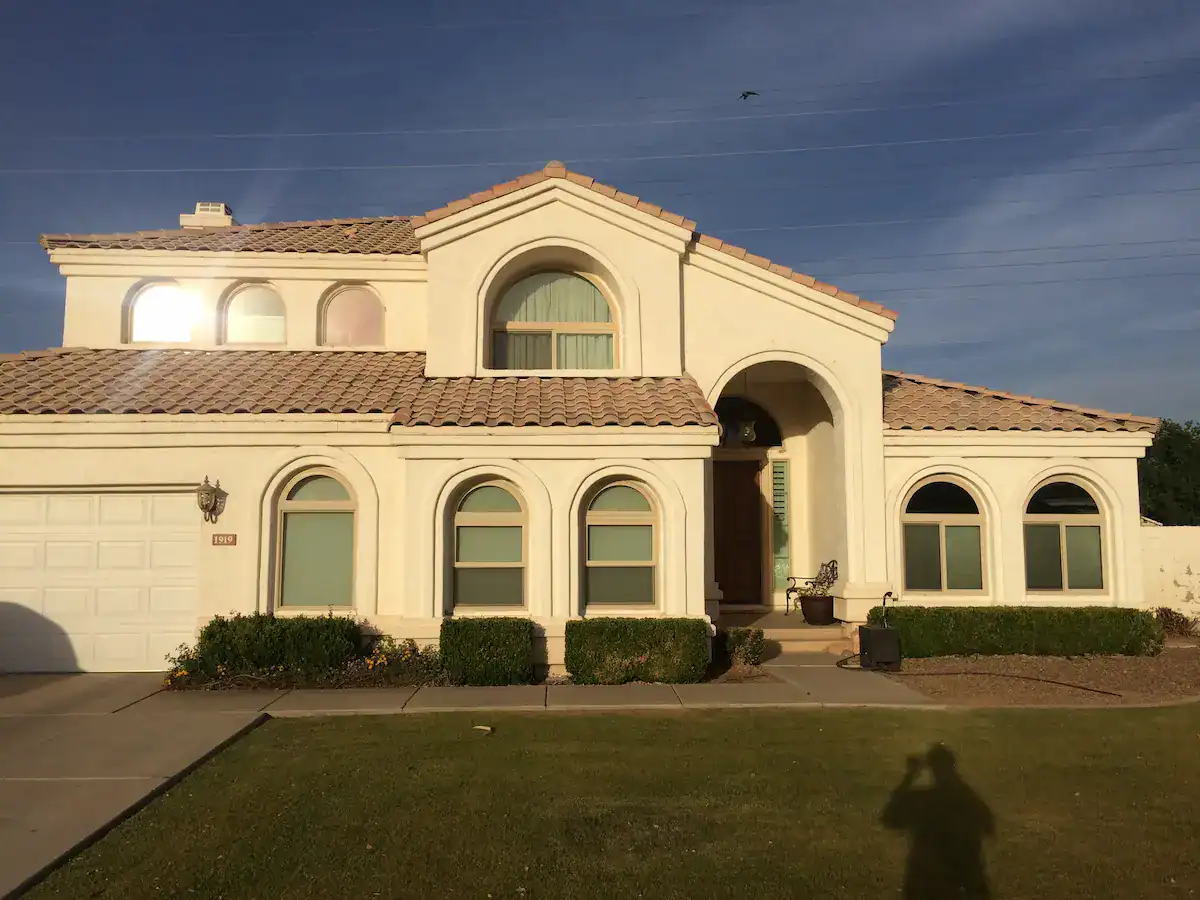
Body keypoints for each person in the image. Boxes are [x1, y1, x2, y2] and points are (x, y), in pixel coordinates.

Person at [881, 743, 995, 899]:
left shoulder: (924, 800)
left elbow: (890, 817)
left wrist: (909, 776)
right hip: (959, 882)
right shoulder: (968, 799)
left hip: (925, 882)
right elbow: (988, 827)